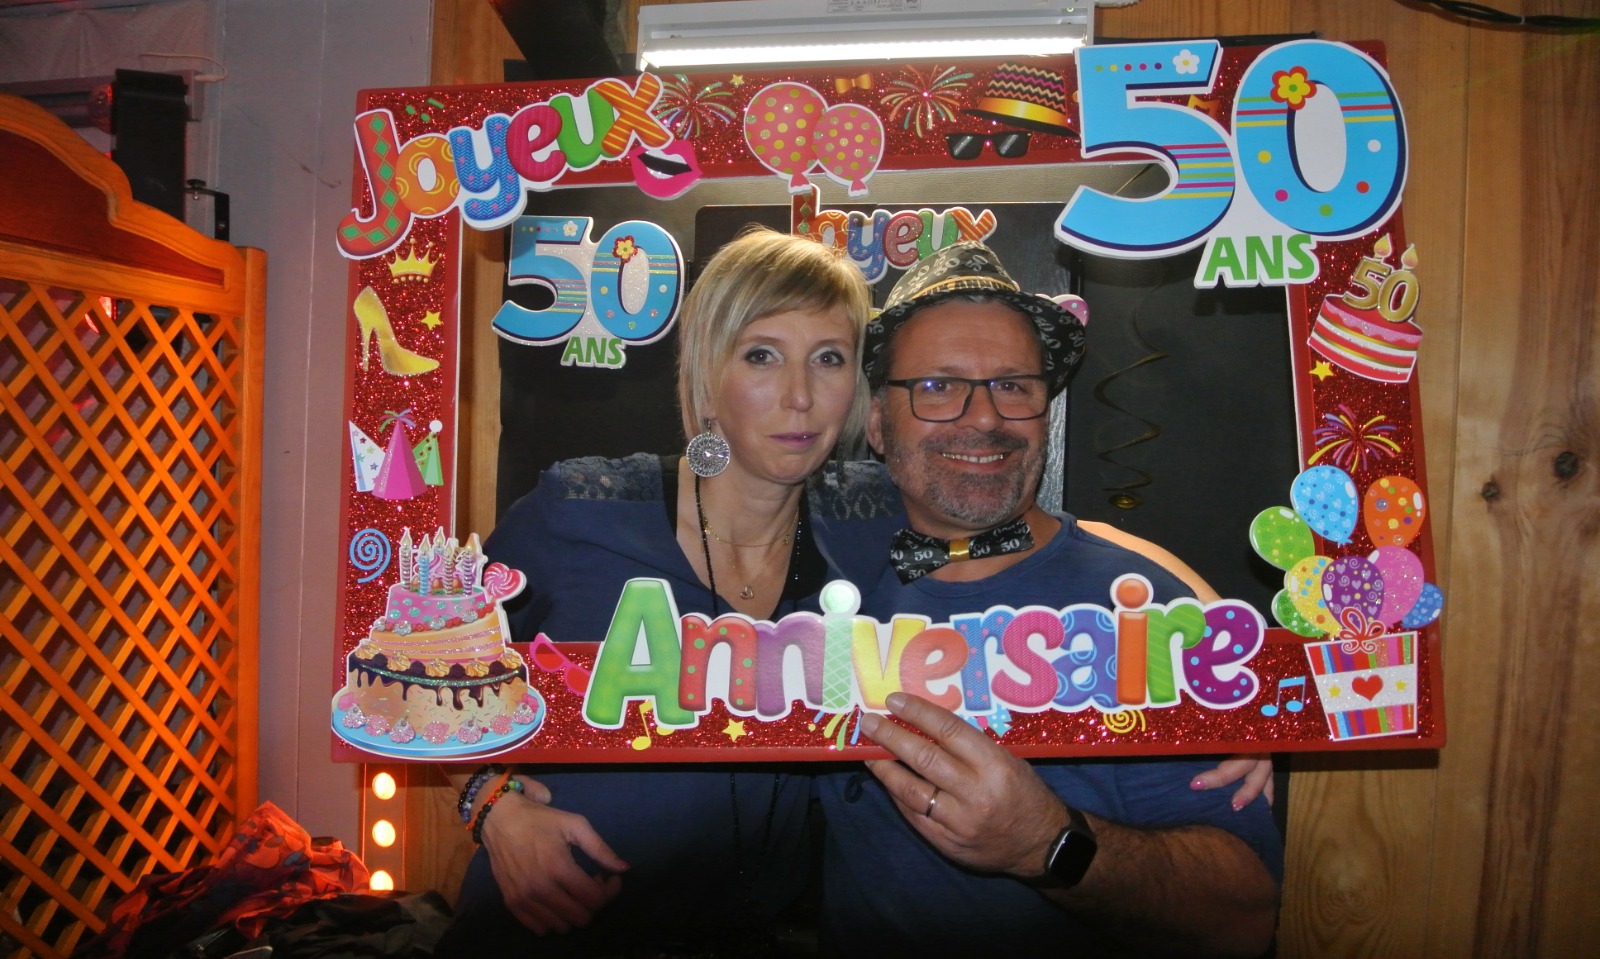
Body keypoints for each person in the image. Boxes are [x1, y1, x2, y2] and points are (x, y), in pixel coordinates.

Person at [439, 228, 902, 954]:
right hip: (549, 932)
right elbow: (410, 676)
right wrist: (490, 804)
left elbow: (1008, 524)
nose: (800, 396)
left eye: (829, 358)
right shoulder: (581, 512)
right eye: (761, 355)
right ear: (707, 375)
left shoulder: (867, 521)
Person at [816, 242, 1284, 956]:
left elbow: (1245, 920)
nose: (984, 417)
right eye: (938, 385)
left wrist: (1048, 844)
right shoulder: (817, 584)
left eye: (1014, 384)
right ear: (878, 424)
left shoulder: (1145, 608)